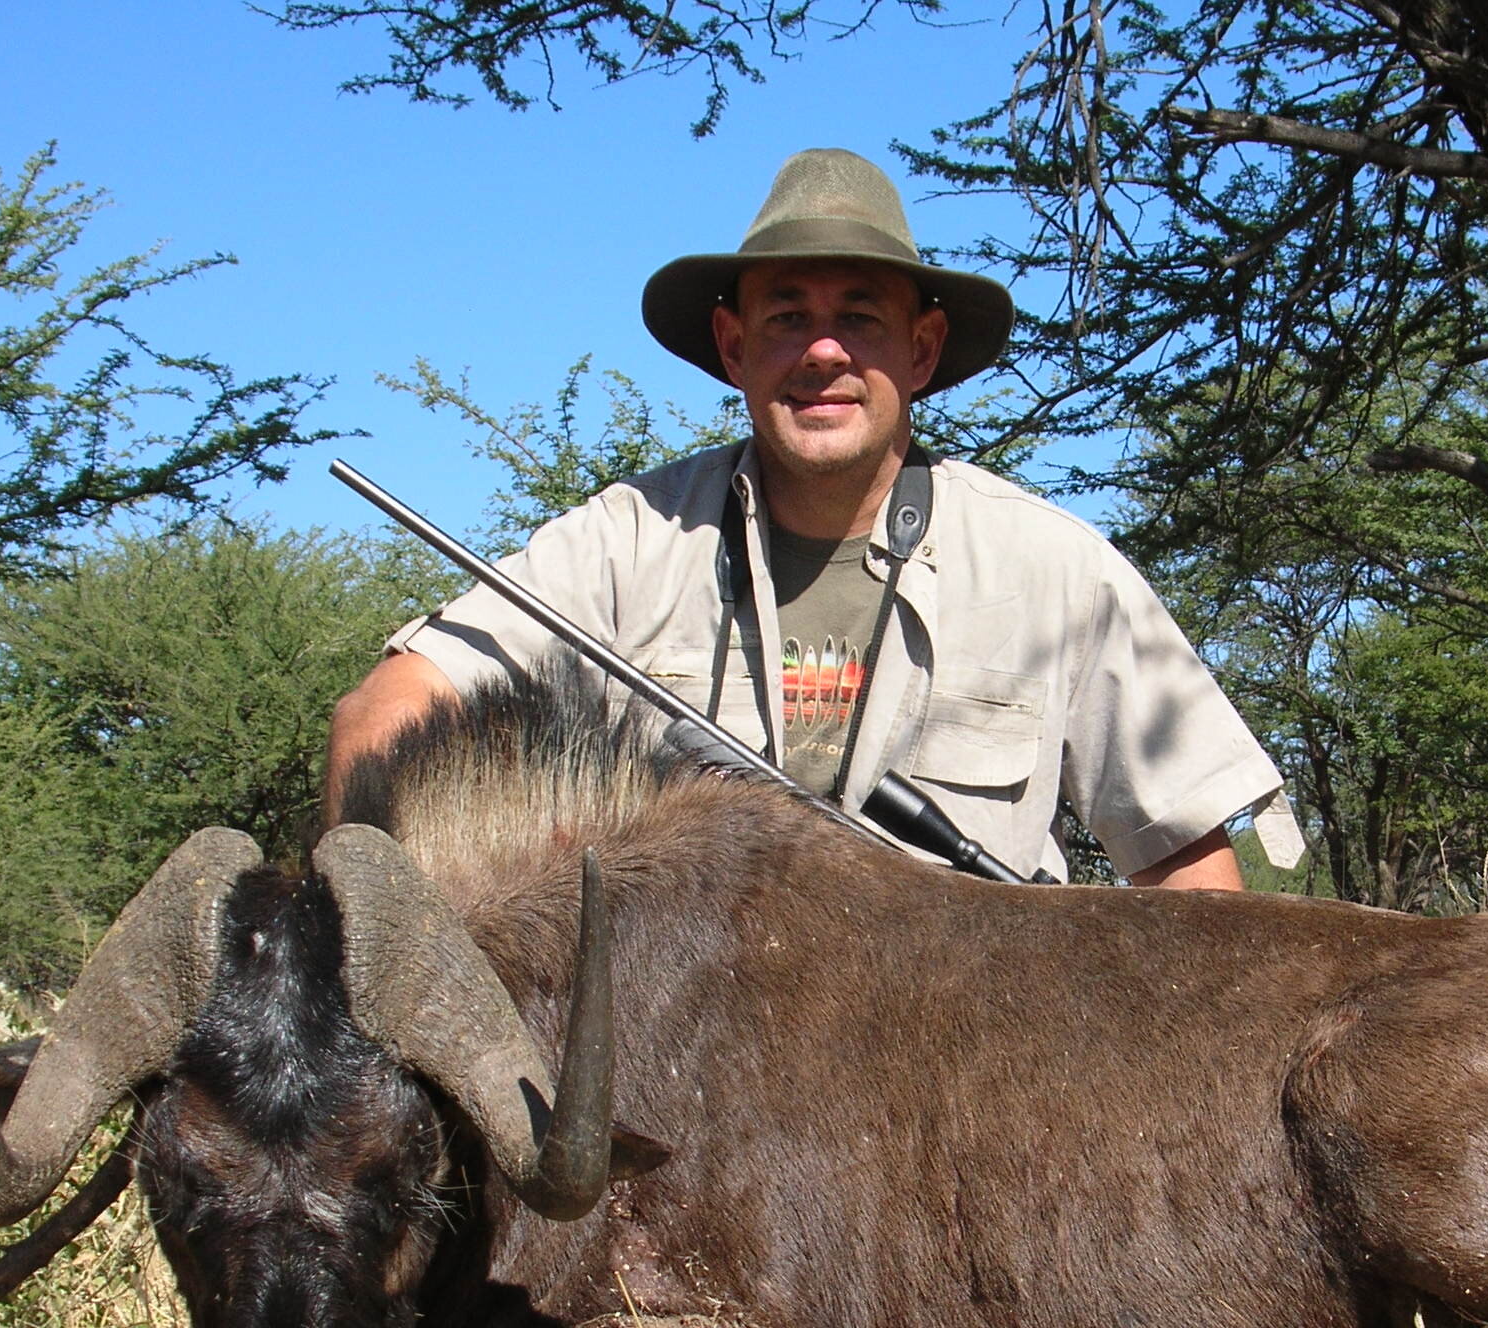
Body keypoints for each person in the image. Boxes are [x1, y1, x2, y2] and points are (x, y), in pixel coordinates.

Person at [328, 148, 1300, 887]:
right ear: (731, 343)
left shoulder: (1054, 569)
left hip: (975, 1095)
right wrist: (408, 967)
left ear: (920, 351)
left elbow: (1190, 873)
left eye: (860, 317)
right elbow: (379, 717)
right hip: (677, 1082)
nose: (823, 351)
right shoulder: (624, 540)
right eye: (787, 315)